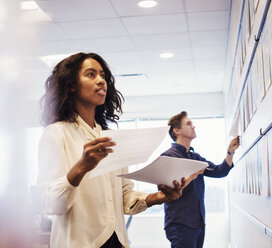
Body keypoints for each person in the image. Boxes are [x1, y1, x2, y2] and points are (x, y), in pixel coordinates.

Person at [37, 52, 193, 248]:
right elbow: (48, 203)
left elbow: (124, 198)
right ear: (71, 85)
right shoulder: (57, 133)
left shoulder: (111, 137)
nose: (101, 81)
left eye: (102, 75)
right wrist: (81, 167)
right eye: (91, 74)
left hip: (117, 242)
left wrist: (158, 197)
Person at [161, 111, 240, 248]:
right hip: (180, 224)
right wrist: (192, 175)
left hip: (198, 223)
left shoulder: (195, 157)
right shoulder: (168, 157)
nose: (193, 126)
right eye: (188, 123)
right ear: (177, 130)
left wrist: (230, 152)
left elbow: (219, 171)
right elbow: (169, 190)